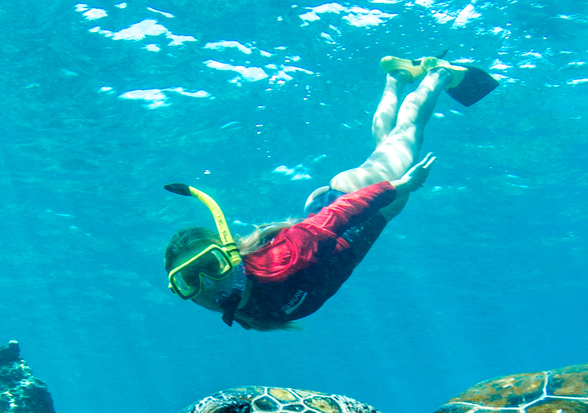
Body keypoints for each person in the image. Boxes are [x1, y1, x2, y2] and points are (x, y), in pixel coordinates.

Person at [163, 56, 498, 329]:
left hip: (350, 205)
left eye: (210, 265)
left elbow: (335, 217)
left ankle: (438, 72)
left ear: (230, 257)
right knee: (389, 144)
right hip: (349, 216)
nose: (206, 285)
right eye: (188, 280)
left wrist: (396, 187)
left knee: (409, 134)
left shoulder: (279, 263)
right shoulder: (238, 309)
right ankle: (396, 76)